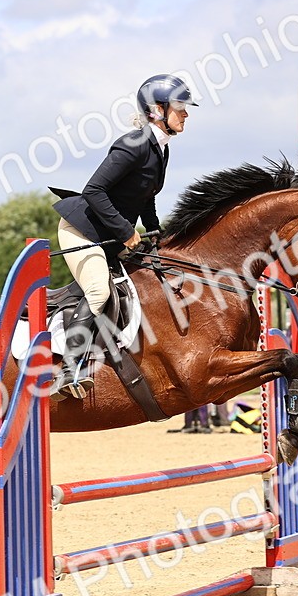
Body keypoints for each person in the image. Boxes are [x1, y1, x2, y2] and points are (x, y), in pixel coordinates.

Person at [49, 73, 198, 399]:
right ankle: (68, 371)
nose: (186, 113)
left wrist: (156, 233)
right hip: (82, 231)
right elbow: (94, 190)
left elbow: (147, 196)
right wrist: (127, 232)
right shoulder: (132, 145)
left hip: (111, 235)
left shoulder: (160, 149)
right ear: (158, 110)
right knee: (99, 290)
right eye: (180, 107)